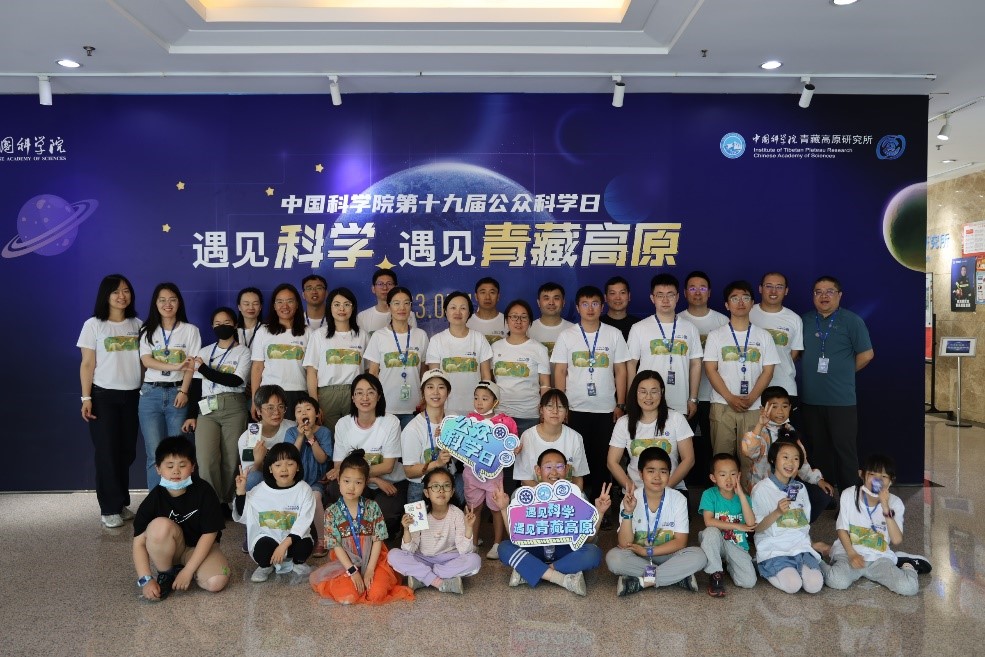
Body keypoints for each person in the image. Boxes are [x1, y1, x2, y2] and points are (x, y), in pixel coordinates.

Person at [493, 449, 610, 596]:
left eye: (559, 467)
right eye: (548, 467)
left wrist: (600, 512)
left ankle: (530, 570)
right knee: (504, 548)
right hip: (535, 551)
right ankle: (562, 578)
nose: (554, 472)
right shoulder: (526, 496)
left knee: (593, 552)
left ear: (567, 469)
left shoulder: (577, 496)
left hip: (565, 552)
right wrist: (504, 509)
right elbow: (515, 537)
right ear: (538, 470)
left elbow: (588, 539)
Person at [309, 448, 415, 605]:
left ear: (365, 483)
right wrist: (353, 571)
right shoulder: (331, 512)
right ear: (338, 480)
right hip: (346, 562)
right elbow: (336, 546)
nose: (351, 487)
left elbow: (377, 540)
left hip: (374, 559)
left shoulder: (372, 507)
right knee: (348, 596)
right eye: (346, 481)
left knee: (377, 594)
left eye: (358, 482)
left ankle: (373, 579)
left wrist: (370, 569)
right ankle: (349, 581)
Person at [552, 285, 629, 498]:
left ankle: (601, 503)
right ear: (577, 308)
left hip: (606, 409)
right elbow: (560, 371)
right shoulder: (566, 336)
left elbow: (621, 371)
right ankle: (574, 501)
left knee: (603, 460)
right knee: (574, 458)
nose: (590, 308)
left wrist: (620, 404)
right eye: (585, 304)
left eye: (595, 303)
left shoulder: (613, 334)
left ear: (602, 306)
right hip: (575, 408)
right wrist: (561, 407)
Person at [78, 274, 142, 528]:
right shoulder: (93, 325)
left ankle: (120, 502)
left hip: (133, 396)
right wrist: (86, 397)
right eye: (115, 292)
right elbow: (87, 364)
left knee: (126, 452)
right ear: (106, 296)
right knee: (107, 452)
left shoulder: (138, 325)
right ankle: (108, 508)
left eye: (126, 290)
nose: (121, 296)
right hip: (104, 396)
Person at [800, 275, 874, 492]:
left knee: (845, 451)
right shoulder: (804, 320)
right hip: (811, 399)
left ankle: (849, 497)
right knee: (818, 450)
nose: (824, 296)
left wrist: (844, 372)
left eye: (829, 291)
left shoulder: (852, 321)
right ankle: (825, 497)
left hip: (841, 401)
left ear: (839, 295)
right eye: (818, 292)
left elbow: (867, 354)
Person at [132, 437, 229, 601]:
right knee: (158, 526)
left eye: (182, 465)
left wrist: (188, 570)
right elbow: (139, 543)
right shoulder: (153, 499)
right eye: (169, 466)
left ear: (193, 467)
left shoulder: (205, 491)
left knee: (216, 582)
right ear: (158, 469)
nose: (176, 471)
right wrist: (146, 580)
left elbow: (210, 534)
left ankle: (189, 569)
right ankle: (167, 573)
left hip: (201, 548)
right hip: (173, 551)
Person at [606, 447, 707, 595]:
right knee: (614, 558)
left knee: (699, 556)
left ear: (669, 474)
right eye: (651, 471)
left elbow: (680, 542)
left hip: (668, 555)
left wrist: (648, 551)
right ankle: (676, 577)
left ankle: (642, 582)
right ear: (641, 474)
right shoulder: (631, 498)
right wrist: (628, 512)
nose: (657, 477)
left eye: (663, 472)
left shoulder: (678, 499)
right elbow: (624, 544)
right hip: (638, 556)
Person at [821, 454, 919, 595]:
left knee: (908, 588)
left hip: (879, 558)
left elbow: (896, 539)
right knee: (836, 581)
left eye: (884, 476)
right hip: (849, 553)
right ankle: (816, 560)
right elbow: (842, 529)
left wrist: (885, 507)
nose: (877, 480)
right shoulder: (849, 494)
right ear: (862, 475)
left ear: (891, 480)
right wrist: (852, 554)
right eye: (872, 474)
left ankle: (908, 565)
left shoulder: (895, 502)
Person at [703, 280, 779, 459]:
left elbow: (768, 371)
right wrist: (730, 398)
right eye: (734, 298)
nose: (740, 302)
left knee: (750, 460)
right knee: (722, 458)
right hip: (722, 404)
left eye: (745, 298)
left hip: (753, 407)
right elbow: (711, 370)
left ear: (752, 303)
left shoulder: (764, 336)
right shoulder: (715, 335)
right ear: (726, 304)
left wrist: (751, 398)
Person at [184, 307, 251, 505]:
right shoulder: (204, 352)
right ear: (212, 326)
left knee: (231, 458)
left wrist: (204, 369)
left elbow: (236, 380)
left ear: (235, 325)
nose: (222, 326)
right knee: (206, 458)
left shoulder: (243, 351)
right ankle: (212, 502)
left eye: (227, 323)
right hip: (207, 408)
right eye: (218, 323)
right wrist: (191, 415)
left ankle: (228, 500)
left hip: (233, 406)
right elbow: (196, 386)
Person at [138, 282, 201, 489]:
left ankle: (177, 499)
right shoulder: (147, 330)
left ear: (179, 303)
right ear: (155, 303)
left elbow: (192, 366)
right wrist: (175, 365)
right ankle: (155, 501)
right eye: (162, 300)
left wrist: (184, 391)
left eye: (172, 300)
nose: (168, 304)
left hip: (178, 393)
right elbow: (146, 361)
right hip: (150, 394)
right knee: (153, 453)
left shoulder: (190, 330)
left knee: (178, 454)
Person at [741, 386, 835, 522]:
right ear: (763, 409)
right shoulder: (758, 431)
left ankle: (796, 526)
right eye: (774, 407)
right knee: (761, 520)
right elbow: (748, 451)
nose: (780, 411)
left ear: (790, 407)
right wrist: (760, 425)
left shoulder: (790, 430)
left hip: (786, 486)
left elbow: (801, 462)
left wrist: (817, 480)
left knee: (822, 496)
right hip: (764, 489)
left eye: (784, 406)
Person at [330, 374, 407, 537]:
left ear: (378, 396)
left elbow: (388, 466)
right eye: (359, 393)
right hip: (360, 483)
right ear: (353, 397)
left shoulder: (391, 422)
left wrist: (356, 474)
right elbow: (338, 467)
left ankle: (386, 532)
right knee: (334, 489)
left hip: (390, 482)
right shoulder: (343, 424)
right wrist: (373, 479)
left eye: (370, 392)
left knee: (382, 516)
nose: (365, 398)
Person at [387, 468, 482, 594]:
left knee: (474, 560)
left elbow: (464, 551)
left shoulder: (457, 514)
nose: (441, 490)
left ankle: (423, 577)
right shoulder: (419, 513)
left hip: (449, 560)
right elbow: (409, 550)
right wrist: (406, 529)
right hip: (423, 558)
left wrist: (469, 527)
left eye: (446, 486)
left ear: (452, 492)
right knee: (393, 555)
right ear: (426, 492)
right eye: (435, 486)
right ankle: (439, 581)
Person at [234, 442, 315, 582]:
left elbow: (304, 521)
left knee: (304, 545)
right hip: (269, 537)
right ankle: (265, 566)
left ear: (298, 467)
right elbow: (244, 513)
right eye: (278, 465)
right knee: (262, 550)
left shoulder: (304, 489)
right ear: (270, 469)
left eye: (290, 464)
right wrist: (241, 491)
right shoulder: (261, 490)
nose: (284, 469)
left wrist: (283, 545)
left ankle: (298, 563)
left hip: (292, 539)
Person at [607, 371, 695, 498]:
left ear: (662, 392)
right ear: (636, 393)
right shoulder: (623, 423)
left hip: (672, 489)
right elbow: (612, 462)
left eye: (654, 391)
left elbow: (689, 459)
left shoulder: (676, 419)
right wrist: (634, 491)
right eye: (643, 391)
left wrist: (665, 489)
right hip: (636, 492)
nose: (648, 397)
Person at [751, 440, 823, 594]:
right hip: (774, 549)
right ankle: (763, 566)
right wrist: (777, 512)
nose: (791, 463)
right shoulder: (761, 489)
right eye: (785, 457)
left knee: (814, 586)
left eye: (796, 458)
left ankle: (806, 566)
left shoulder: (800, 488)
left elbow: (805, 523)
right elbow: (757, 528)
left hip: (800, 547)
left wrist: (810, 544)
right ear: (773, 459)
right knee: (793, 585)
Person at [627, 273, 703, 418]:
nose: (665, 300)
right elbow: (631, 364)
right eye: (660, 295)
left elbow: (696, 364)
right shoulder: (639, 328)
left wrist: (693, 398)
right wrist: (631, 398)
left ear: (678, 297)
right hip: (647, 402)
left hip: (680, 401)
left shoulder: (690, 328)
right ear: (652, 298)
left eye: (670, 295)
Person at [678, 271, 728, 484]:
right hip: (684, 396)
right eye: (692, 288)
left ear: (709, 292)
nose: (697, 292)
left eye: (702, 288)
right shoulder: (677, 320)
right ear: (684, 293)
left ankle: (714, 490)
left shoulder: (722, 320)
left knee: (712, 446)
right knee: (682, 446)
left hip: (715, 395)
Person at [464, 380, 518, 559]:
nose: (479, 402)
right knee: (474, 508)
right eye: (476, 398)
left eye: (484, 398)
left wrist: (515, 449)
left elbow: (512, 444)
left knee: (496, 508)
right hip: (471, 472)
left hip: (493, 474)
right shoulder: (468, 420)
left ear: (495, 402)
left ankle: (497, 543)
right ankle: (473, 542)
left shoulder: (504, 422)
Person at [304, 286, 367, 432]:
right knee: (329, 435)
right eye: (337, 304)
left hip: (355, 392)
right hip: (327, 394)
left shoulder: (362, 335)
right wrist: (314, 403)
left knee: (355, 434)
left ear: (353, 308)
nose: (342, 309)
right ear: (330, 308)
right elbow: (311, 371)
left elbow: (371, 370)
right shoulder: (319, 335)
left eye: (347, 304)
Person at [365, 286, 429, 428]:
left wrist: (425, 398)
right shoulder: (379, 336)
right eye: (396, 303)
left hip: (414, 407)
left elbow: (424, 372)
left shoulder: (420, 335)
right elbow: (373, 373)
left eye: (406, 303)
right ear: (389, 307)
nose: (402, 308)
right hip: (386, 407)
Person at [698, 453, 757, 597]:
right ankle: (715, 574)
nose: (729, 479)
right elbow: (708, 521)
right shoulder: (709, 494)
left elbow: (750, 524)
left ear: (739, 475)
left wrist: (741, 495)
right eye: (723, 475)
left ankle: (728, 565)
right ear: (713, 478)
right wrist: (737, 526)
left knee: (748, 582)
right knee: (711, 532)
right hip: (715, 541)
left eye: (733, 474)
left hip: (736, 545)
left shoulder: (745, 498)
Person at [425, 291, 493, 416]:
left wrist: (484, 405)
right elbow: (434, 378)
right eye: (453, 308)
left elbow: (486, 377)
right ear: (446, 311)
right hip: (446, 409)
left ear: (469, 313)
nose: (458, 312)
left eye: (463, 308)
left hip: (476, 409)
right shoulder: (437, 340)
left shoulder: (479, 339)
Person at [491, 299, 551, 438]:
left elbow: (545, 384)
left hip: (529, 415)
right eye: (514, 317)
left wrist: (544, 410)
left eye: (524, 317)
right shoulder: (495, 348)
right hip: (500, 415)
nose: (518, 321)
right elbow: (490, 380)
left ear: (530, 321)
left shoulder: (539, 349)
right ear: (507, 320)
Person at [251, 283, 310, 421]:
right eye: (280, 302)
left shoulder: (308, 332)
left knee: (297, 433)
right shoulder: (263, 331)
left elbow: (312, 370)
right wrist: (254, 400)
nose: (285, 306)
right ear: (274, 306)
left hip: (298, 392)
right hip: (268, 394)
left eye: (290, 301)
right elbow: (257, 367)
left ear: (297, 304)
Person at [401, 369, 462, 504]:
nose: (435, 392)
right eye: (430, 387)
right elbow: (409, 471)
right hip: (421, 486)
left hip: (449, 483)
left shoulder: (454, 419)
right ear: (423, 392)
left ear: (448, 392)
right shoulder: (413, 429)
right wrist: (437, 464)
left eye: (441, 387)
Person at [749, 272, 803, 423]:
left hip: (784, 387)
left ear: (786, 290)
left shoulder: (794, 319)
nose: (773, 291)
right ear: (760, 289)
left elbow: (794, 353)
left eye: (779, 287)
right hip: (753, 389)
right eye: (769, 286)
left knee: (783, 435)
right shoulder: (748, 312)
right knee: (756, 434)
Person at [513, 389, 589, 489]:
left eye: (560, 407)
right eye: (549, 406)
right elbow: (525, 478)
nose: (555, 411)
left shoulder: (575, 437)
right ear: (541, 410)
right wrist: (547, 494)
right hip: (535, 492)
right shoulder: (528, 436)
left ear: (566, 412)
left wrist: (571, 495)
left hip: (566, 494)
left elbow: (578, 478)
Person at [286, 395, 333, 556]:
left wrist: (311, 438)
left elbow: (322, 459)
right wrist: (300, 436)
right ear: (295, 417)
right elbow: (290, 458)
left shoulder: (324, 432)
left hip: (316, 481)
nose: (303, 413)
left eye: (308, 409)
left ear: (317, 414)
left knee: (315, 497)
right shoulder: (291, 432)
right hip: (294, 481)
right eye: (299, 411)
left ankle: (322, 539)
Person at [238, 385, 297, 491]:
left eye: (281, 407)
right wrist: (258, 462)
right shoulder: (247, 437)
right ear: (258, 410)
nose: (276, 412)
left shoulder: (293, 428)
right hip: (263, 482)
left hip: (290, 478)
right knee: (253, 477)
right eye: (270, 408)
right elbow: (249, 477)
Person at [355, 268, 417, 335]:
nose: (385, 288)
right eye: (380, 284)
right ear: (373, 288)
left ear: (396, 288)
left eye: (389, 284)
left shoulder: (407, 315)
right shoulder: (362, 317)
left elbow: (412, 338)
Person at [527, 282, 573, 362]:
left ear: (563, 302)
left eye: (556, 298)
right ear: (538, 302)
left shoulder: (573, 329)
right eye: (546, 298)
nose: (551, 303)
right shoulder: (528, 329)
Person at [466, 276, 507, 344]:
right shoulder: (466, 322)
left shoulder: (508, 322)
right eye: (483, 292)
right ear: (476, 296)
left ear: (498, 297)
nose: (487, 297)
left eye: (492, 292)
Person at [600, 276, 640, 340]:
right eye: (612, 293)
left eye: (622, 293)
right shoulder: (597, 324)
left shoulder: (639, 325)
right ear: (605, 298)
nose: (618, 298)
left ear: (629, 296)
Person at [235, 287, 263, 355]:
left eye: (255, 304)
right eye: (246, 304)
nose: (251, 307)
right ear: (239, 307)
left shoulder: (267, 330)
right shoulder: (233, 331)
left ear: (260, 307)